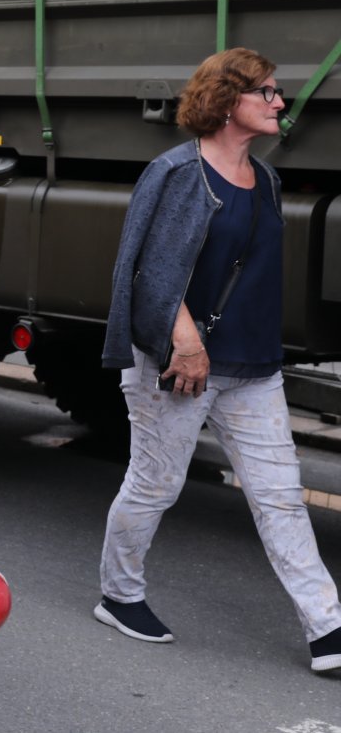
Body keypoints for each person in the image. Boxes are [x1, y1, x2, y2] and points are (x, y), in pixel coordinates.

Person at [97, 47, 341, 672]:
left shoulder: (267, 180)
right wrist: (185, 343)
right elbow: (147, 270)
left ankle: (328, 629)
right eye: (268, 92)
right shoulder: (178, 173)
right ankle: (119, 596)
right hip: (178, 364)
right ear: (229, 100)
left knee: (281, 497)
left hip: (252, 368)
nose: (280, 102)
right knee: (155, 484)